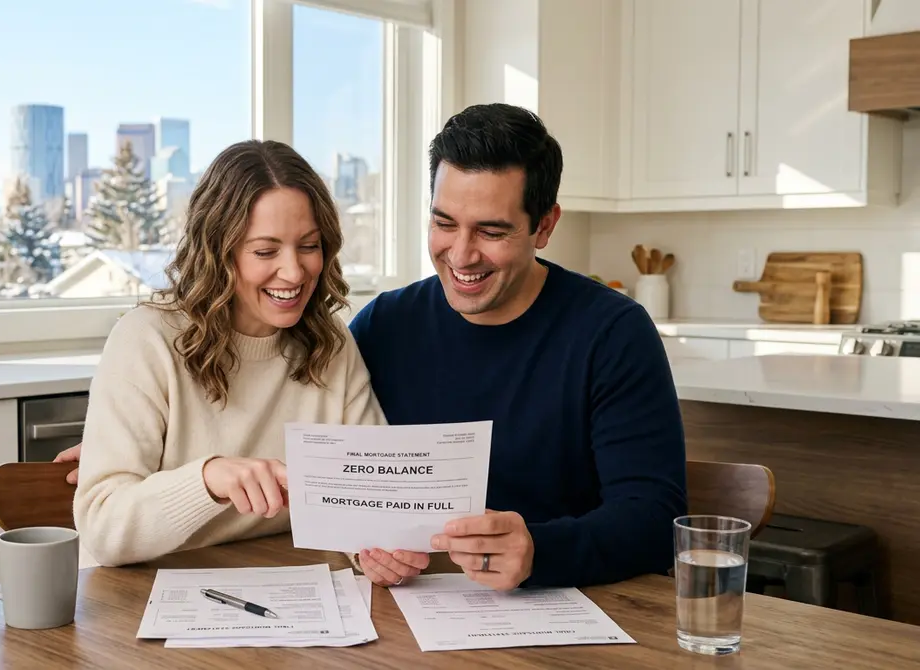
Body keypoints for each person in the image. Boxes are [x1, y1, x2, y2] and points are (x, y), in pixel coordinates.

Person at [349, 102, 688, 590]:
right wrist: (365, 546)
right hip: (412, 609)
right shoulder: (383, 325)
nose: (462, 254)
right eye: (444, 224)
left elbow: (654, 521)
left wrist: (539, 552)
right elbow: (351, 488)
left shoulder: (613, 333)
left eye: (491, 231)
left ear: (545, 227)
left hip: (573, 615)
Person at [71, 138, 385, 567]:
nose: (294, 272)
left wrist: (377, 549)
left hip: (282, 587)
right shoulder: (146, 339)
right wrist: (207, 480)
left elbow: (371, 501)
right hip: (139, 598)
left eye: (309, 246)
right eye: (265, 251)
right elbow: (103, 528)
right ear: (218, 252)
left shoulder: (330, 342)